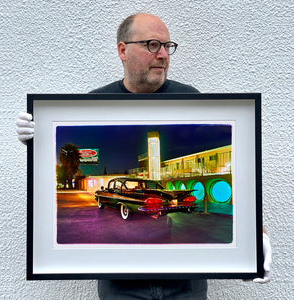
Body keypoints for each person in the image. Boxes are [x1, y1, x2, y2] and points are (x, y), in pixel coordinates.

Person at [16, 13, 272, 300]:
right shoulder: (95, 103)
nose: (162, 54)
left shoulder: (192, 99)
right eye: (152, 45)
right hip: (119, 283)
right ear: (122, 50)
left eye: (167, 45)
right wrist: (37, 143)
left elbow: (242, 165)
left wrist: (254, 233)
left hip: (186, 280)